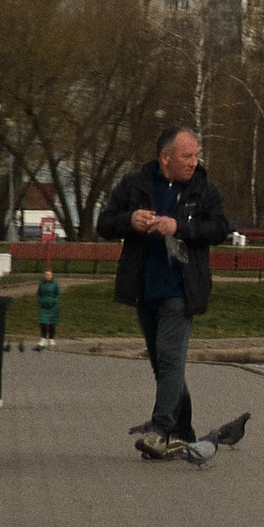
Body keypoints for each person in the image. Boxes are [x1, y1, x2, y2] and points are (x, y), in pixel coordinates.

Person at [98, 128, 231, 458]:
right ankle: (183, 431)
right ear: (165, 158)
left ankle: (159, 430)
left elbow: (219, 229)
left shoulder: (204, 189)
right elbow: (104, 223)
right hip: (144, 287)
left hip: (181, 289)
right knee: (163, 364)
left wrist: (179, 227)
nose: (193, 162)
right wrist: (130, 220)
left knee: (171, 358)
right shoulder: (135, 185)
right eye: (187, 156)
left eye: (196, 155)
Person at [35, 264, 61, 348]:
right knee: (43, 322)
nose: (48, 276)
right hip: (43, 306)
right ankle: (43, 339)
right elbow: (39, 293)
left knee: (52, 322)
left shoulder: (55, 284)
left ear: (52, 275)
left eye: (49, 274)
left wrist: (54, 300)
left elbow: (58, 293)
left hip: (52, 306)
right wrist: (40, 300)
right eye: (46, 274)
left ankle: (51, 338)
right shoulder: (42, 284)